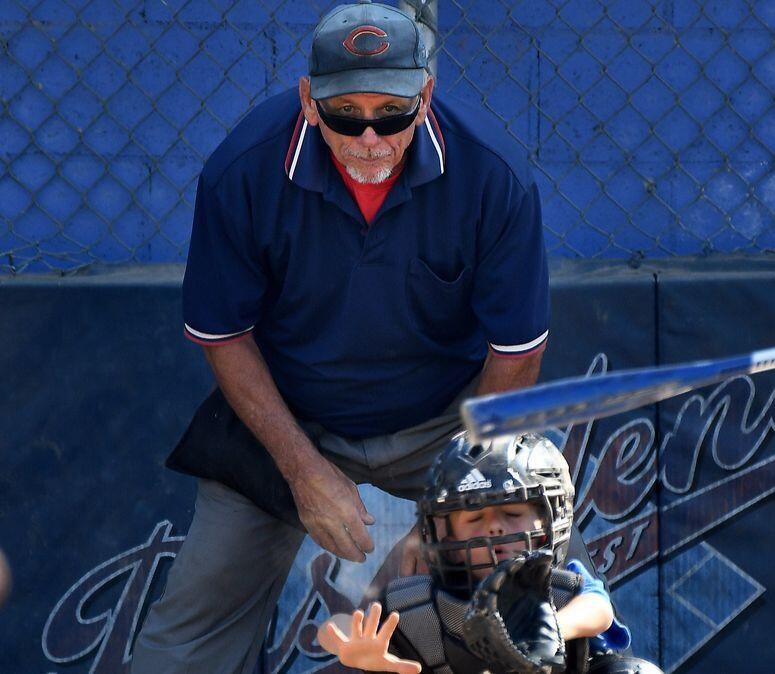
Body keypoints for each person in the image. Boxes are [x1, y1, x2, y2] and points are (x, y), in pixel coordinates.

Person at [131, 2, 597, 672]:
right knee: (188, 633)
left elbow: (516, 354)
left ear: (426, 95)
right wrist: (302, 469)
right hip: (291, 417)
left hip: (446, 419)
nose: (371, 136)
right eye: (347, 113)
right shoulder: (241, 170)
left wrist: (448, 509)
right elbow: (224, 336)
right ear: (308, 101)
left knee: (548, 596)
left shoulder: (493, 173)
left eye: (394, 113)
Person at [317, 431, 658, 674]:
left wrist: (552, 626)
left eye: (512, 515)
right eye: (474, 517)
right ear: (441, 530)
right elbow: (342, 627)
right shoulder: (418, 602)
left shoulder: (560, 585)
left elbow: (598, 609)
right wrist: (353, 647)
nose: (494, 529)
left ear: (551, 517)